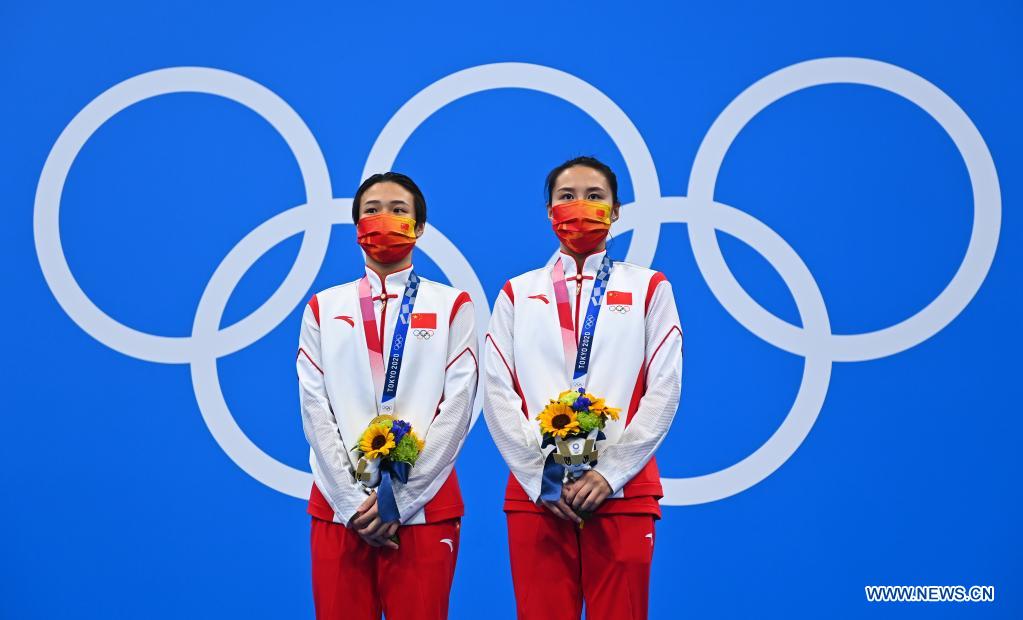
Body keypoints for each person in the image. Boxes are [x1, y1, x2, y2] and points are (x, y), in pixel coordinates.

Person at [483, 156, 683, 619]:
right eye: (566, 197)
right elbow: (496, 391)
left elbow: (664, 388)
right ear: (549, 210)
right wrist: (539, 478)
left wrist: (610, 474)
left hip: (623, 494)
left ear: (616, 212)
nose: (580, 206)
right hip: (538, 499)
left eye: (595, 197)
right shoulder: (516, 293)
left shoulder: (649, 288)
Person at [297, 172, 478, 619]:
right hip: (341, 511)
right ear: (356, 224)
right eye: (372, 209)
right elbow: (314, 407)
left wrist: (400, 499)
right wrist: (348, 502)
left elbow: (456, 410)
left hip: (424, 507)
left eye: (400, 210)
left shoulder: (452, 305)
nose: (385, 218)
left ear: (419, 228)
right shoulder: (324, 307)